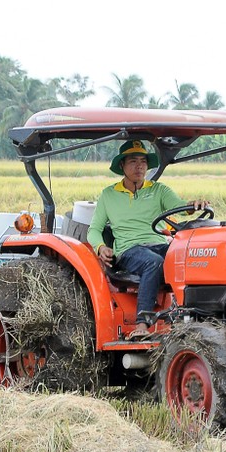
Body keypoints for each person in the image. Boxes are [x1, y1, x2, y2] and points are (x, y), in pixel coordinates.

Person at [87, 140, 209, 339]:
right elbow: (94, 230)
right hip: (129, 250)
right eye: (133, 161)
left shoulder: (159, 190)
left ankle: (198, 318)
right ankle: (142, 324)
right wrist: (100, 247)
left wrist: (192, 205)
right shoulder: (109, 195)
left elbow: (179, 206)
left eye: (143, 161)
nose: (139, 166)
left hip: (161, 244)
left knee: (193, 256)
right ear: (122, 166)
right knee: (154, 262)